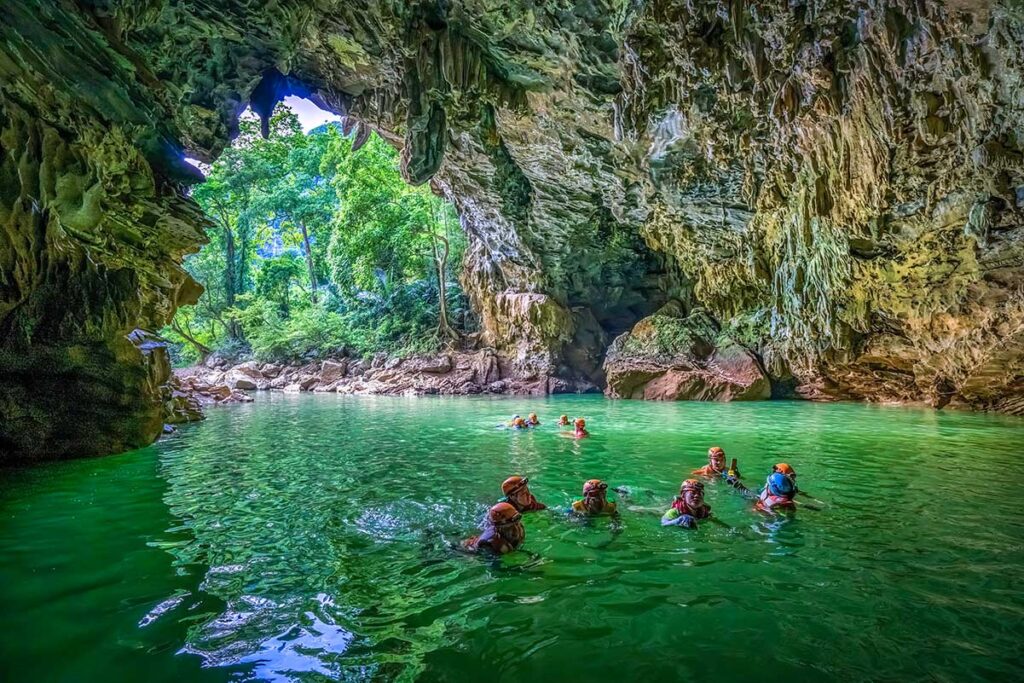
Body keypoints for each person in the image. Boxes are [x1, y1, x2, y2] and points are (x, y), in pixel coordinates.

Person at [461, 502, 526, 554]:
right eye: (510, 526)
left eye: (517, 523)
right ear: (500, 528)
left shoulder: (518, 528)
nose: (516, 528)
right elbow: (494, 566)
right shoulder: (490, 543)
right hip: (468, 551)